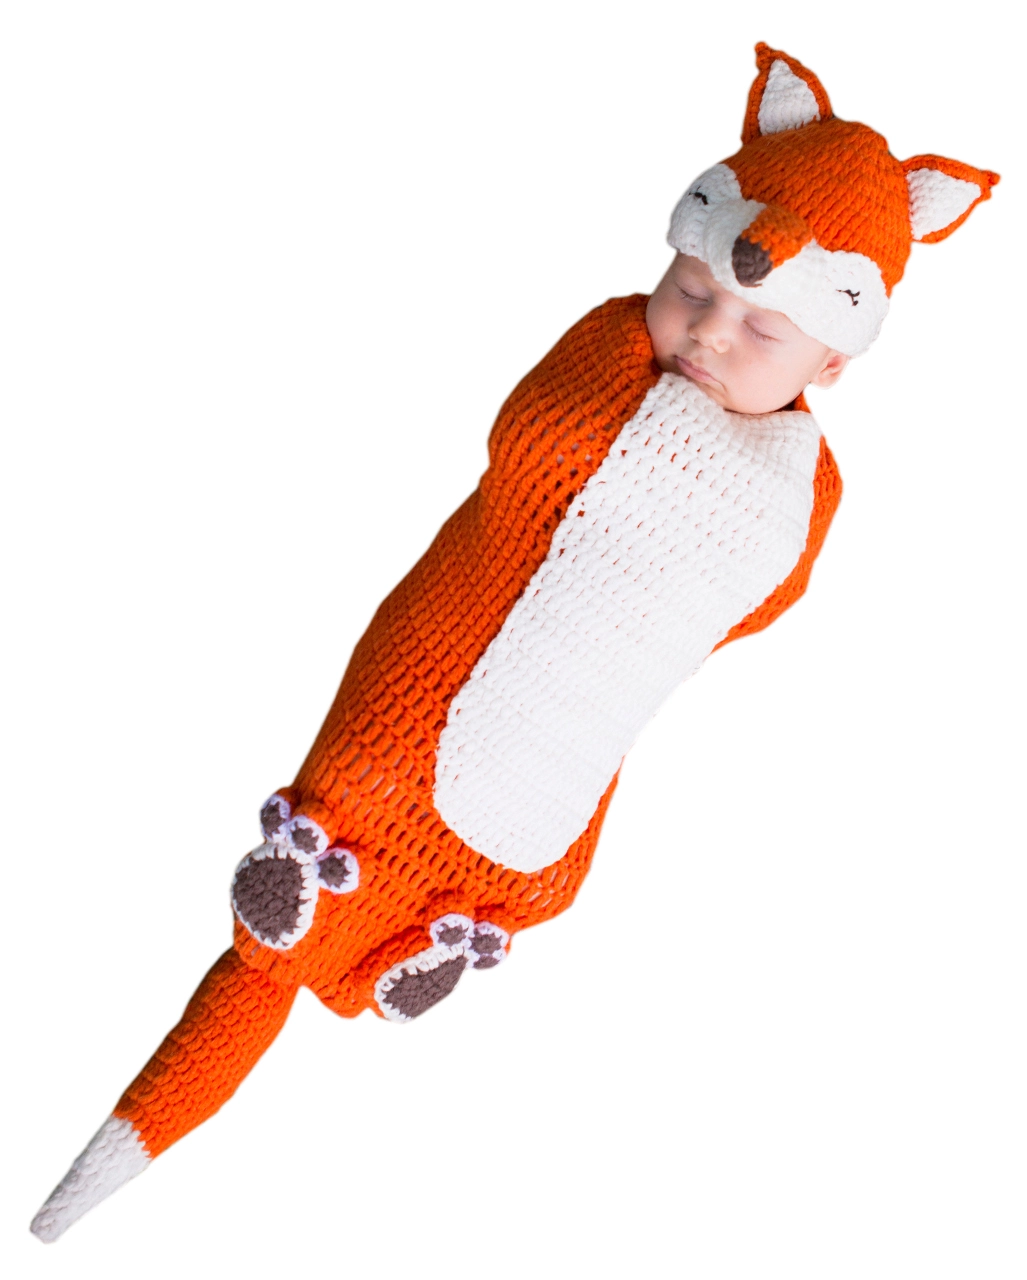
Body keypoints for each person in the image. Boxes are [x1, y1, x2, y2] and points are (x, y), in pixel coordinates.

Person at [31, 42, 997, 1243]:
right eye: (690, 289)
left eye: (761, 326)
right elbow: (532, 446)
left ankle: (397, 955)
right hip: (432, 678)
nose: (705, 333)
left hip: (559, 771)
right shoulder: (608, 350)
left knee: (524, 868)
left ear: (833, 361)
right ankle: (290, 911)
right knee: (362, 779)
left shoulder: (806, 486)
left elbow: (752, 607)